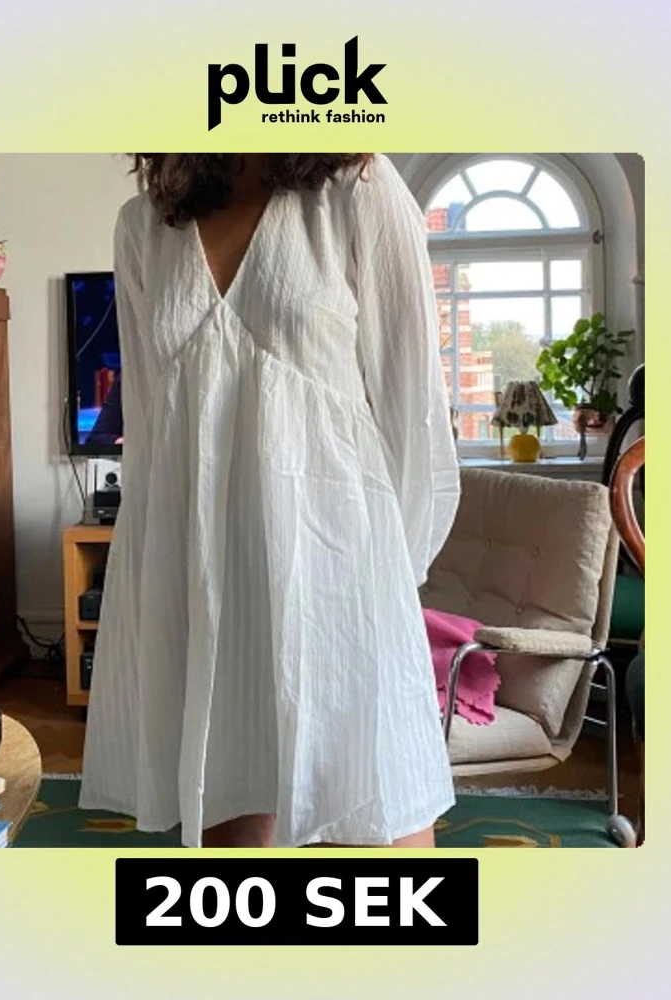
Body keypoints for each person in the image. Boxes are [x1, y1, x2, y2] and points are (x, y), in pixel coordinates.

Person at [78, 153, 461, 848]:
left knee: (373, 840)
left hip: (338, 584)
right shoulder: (143, 226)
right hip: (207, 594)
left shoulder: (358, 191)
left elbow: (416, 423)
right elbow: (151, 434)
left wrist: (383, 594)